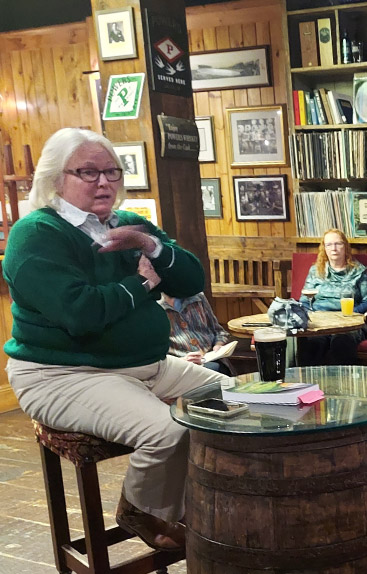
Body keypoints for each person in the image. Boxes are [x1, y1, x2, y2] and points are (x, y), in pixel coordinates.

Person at [3, 128, 224, 552]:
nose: (103, 182)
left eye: (111, 172)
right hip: (62, 375)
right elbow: (80, 313)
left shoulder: (127, 225)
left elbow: (192, 280)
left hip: (146, 367)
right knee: (165, 430)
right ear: (55, 178)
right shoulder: (36, 235)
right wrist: (140, 285)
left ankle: (190, 503)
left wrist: (148, 244)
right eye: (88, 172)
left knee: (229, 399)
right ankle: (142, 511)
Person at [298, 229, 367, 365]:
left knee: (341, 341)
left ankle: (342, 383)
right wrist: (312, 317)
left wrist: (348, 314)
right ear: (324, 248)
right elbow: (304, 301)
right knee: (311, 342)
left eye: (338, 244)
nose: (334, 248)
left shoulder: (359, 271)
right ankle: (307, 384)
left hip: (347, 323)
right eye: (329, 245)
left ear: (345, 246)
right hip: (320, 321)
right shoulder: (315, 271)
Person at [159, 292, 233, 375]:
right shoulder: (153, 306)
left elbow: (219, 331)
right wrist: (182, 361)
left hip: (212, 359)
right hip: (180, 368)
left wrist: (218, 344)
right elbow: (153, 357)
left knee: (221, 370)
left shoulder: (198, 297)